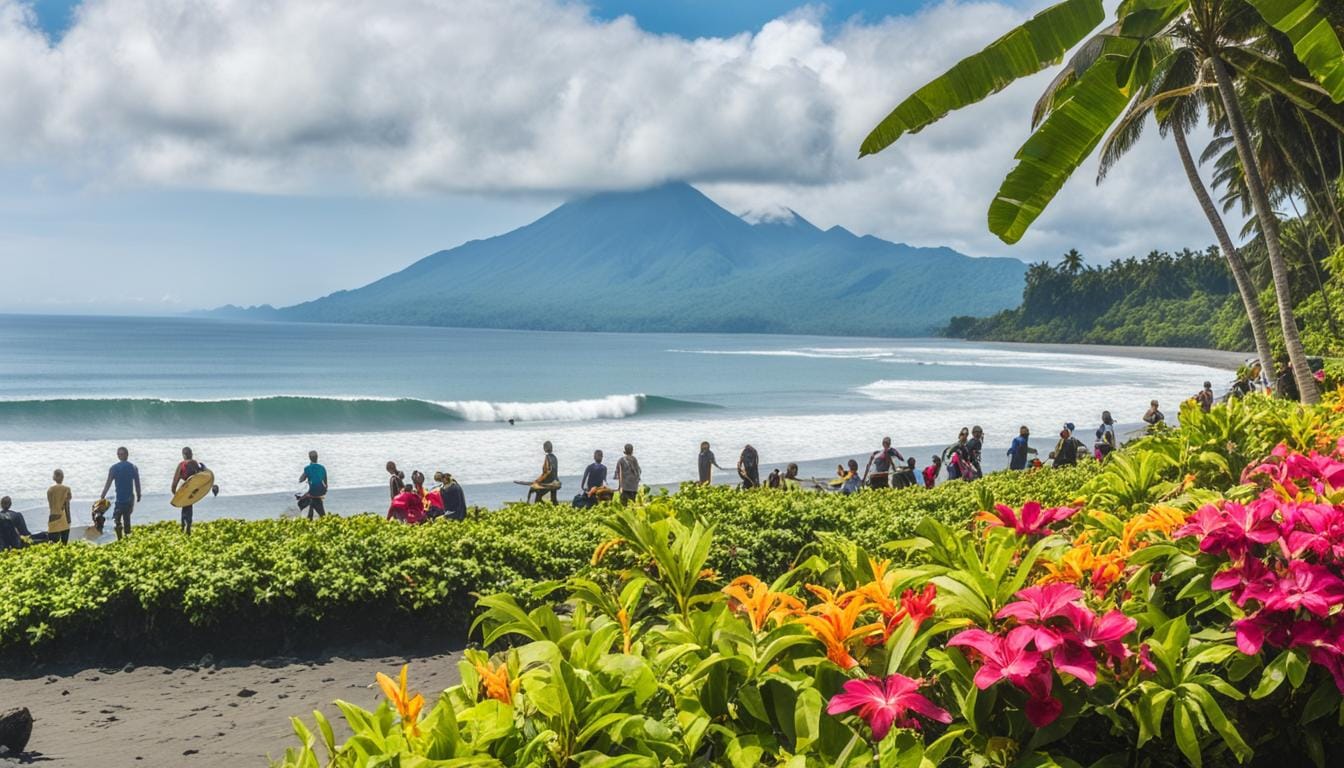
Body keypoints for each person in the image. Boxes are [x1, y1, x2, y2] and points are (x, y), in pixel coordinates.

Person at [98, 446, 141, 540]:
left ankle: (120, 539)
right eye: (119, 454)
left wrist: (102, 495)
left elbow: (108, 483)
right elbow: (137, 483)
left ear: (126, 455)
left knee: (118, 519)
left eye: (121, 454)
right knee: (126, 518)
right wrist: (138, 495)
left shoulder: (115, 468)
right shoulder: (132, 467)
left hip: (123, 499)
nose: (120, 456)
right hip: (127, 498)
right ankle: (126, 537)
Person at [171, 447, 208, 535]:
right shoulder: (195, 463)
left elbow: (175, 480)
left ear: (183, 455)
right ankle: (187, 526)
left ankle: (184, 525)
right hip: (193, 489)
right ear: (191, 454)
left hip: (185, 488)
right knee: (189, 507)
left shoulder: (181, 465)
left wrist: (174, 492)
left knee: (185, 506)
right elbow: (201, 475)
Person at [297, 450, 328, 520]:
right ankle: (313, 510)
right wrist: (325, 490)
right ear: (317, 457)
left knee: (304, 496)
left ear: (309, 458)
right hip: (321, 490)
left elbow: (300, 480)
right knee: (321, 511)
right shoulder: (322, 468)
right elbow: (325, 482)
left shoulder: (307, 468)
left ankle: (310, 514)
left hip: (312, 492)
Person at [46, 469, 72, 544]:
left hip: (52, 517)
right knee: (64, 545)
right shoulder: (67, 489)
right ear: (62, 477)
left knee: (52, 544)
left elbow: (51, 506)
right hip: (63, 519)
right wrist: (69, 520)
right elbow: (67, 506)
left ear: (54, 478)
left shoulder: (50, 490)